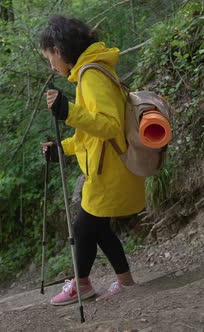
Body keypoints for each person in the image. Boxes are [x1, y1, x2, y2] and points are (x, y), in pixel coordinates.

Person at [39, 15, 146, 306]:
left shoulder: (91, 75)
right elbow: (90, 135)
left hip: (109, 171)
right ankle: (124, 282)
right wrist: (62, 148)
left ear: (59, 52)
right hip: (105, 168)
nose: (51, 66)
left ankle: (81, 284)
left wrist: (68, 111)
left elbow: (109, 125)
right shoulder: (90, 73)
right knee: (96, 228)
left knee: (84, 227)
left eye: (50, 59)